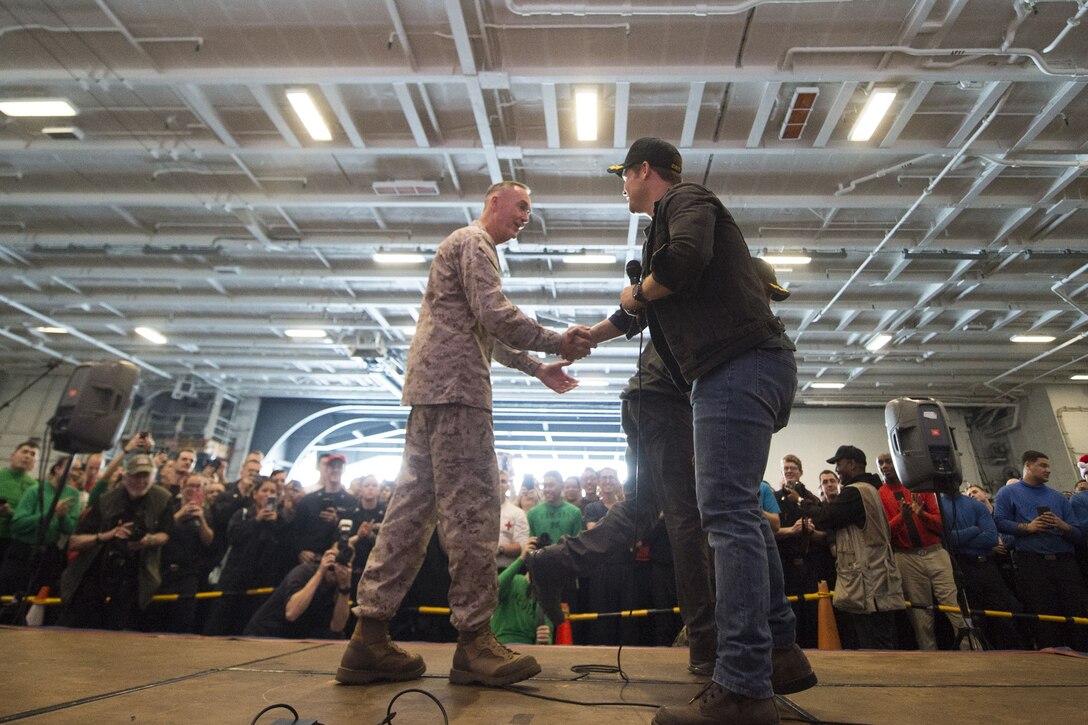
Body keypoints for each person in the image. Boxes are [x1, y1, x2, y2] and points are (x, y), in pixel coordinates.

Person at [336, 180, 594, 688]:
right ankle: (475, 641)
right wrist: (555, 339)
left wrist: (536, 366)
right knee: (475, 510)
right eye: (521, 206)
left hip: (431, 392)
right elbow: (494, 314)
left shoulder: (458, 247)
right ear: (493, 202)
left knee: (409, 513)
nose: (525, 217)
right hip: (458, 393)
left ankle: (368, 634)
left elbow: (484, 332)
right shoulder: (475, 242)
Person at [610, 137, 811, 724]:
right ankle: (779, 652)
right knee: (737, 512)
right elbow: (639, 309)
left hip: (735, 365)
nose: (622, 185)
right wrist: (585, 338)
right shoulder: (665, 224)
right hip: (743, 366)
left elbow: (682, 263)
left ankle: (744, 686)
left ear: (644, 170)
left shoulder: (685, 201)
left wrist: (638, 288)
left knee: (723, 514)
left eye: (624, 175)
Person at [802, 446, 904, 651]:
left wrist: (801, 502)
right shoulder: (871, 488)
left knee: (873, 641)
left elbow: (826, 518)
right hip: (878, 576)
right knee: (881, 637)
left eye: (839, 464)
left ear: (852, 463)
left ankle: (885, 680)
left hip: (867, 581)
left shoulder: (856, 491)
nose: (837, 470)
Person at [60, 454, 173, 630]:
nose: (141, 481)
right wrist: (109, 535)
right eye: (136, 475)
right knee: (80, 624)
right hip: (97, 569)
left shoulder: (162, 499)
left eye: (146, 476)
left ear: (154, 477)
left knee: (120, 628)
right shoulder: (106, 500)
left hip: (136, 574)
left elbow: (166, 534)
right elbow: (74, 542)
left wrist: (147, 540)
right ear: (125, 477)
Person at [876, 452, 972, 650]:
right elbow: (885, 533)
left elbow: (940, 524)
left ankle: (971, 649)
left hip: (935, 552)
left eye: (889, 462)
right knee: (920, 615)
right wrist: (903, 516)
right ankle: (930, 657)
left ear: (898, 464)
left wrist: (923, 514)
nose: (885, 466)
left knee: (953, 606)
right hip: (906, 557)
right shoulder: (880, 495)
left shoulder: (920, 489)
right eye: (881, 463)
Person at [993, 450, 1085, 649]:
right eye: (1043, 465)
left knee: (1076, 611)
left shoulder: (1057, 497)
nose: (1048, 470)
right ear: (1028, 465)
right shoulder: (1008, 493)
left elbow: (1077, 533)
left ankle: (1081, 653)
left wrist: (1062, 525)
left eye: (1048, 466)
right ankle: (1050, 657)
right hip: (1032, 563)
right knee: (1043, 614)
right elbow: (998, 522)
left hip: (1065, 562)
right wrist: (1027, 527)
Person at [244, 545, 352, 639]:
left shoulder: (342, 584)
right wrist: (320, 573)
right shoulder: (304, 572)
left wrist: (345, 588)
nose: (337, 569)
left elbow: (337, 628)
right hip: (265, 632)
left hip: (296, 635)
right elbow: (291, 613)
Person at [0, 441, 40, 566]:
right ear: (12, 456)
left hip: (14, 542)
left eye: (32, 454)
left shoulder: (35, 488)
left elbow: (32, 516)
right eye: (24, 451)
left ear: (35, 463)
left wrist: (10, 513)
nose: (27, 456)